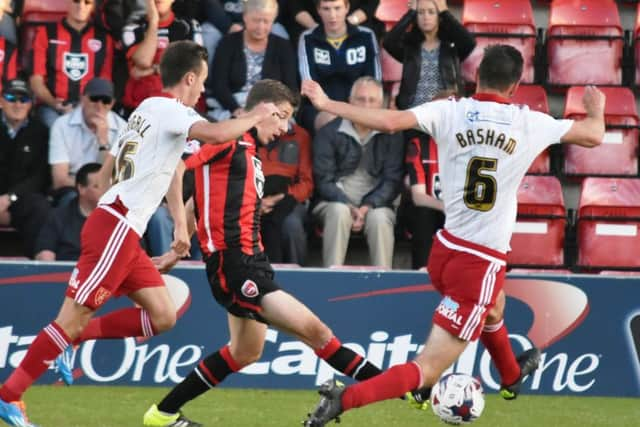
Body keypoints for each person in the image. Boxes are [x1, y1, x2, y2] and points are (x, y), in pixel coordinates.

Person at [300, 44, 606, 426]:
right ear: (515, 86)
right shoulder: (530, 121)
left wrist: (329, 104)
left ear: (476, 77)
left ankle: (510, 375)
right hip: (479, 262)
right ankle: (345, 400)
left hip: (444, 251)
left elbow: (390, 122)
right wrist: (596, 109)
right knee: (427, 370)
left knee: (494, 306)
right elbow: (594, 135)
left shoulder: (449, 110)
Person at [0, 40, 280, 427]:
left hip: (123, 229)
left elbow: (152, 171)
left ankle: (73, 340)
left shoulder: (149, 109)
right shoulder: (173, 111)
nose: (203, 90)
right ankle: (9, 396)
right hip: (115, 226)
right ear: (189, 78)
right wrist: (256, 115)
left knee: (163, 315)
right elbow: (217, 134)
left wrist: (180, 226)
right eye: (202, 82)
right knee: (70, 318)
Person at [142, 79, 384, 427]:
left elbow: (200, 204)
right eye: (282, 116)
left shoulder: (248, 150)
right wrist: (179, 230)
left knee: (246, 352)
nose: (286, 127)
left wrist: (175, 252)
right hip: (236, 265)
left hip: (251, 263)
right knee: (317, 332)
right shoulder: (227, 138)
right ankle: (396, 387)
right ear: (264, 110)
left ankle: (162, 414)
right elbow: (177, 168)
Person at [312, 76, 404, 269]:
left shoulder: (393, 135)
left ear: (382, 105)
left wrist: (367, 206)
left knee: (379, 218)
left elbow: (392, 180)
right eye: (360, 99)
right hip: (334, 201)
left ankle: (383, 281)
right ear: (350, 102)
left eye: (372, 100)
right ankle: (332, 277)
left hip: (377, 204)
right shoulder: (329, 132)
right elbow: (323, 180)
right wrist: (348, 204)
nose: (366, 105)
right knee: (339, 212)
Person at [298, 0, 381, 132]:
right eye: (326, 9)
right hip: (321, 108)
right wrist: (332, 107)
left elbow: (374, 81)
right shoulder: (308, 39)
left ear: (347, 8)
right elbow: (310, 85)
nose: (332, 15)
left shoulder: (365, 36)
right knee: (331, 121)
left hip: (360, 106)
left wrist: (351, 110)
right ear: (318, 10)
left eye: (337, 8)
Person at [207, 0, 298, 121]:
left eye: (266, 21)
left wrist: (278, 111)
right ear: (245, 17)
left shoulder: (283, 47)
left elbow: (290, 87)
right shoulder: (227, 43)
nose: (260, 27)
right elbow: (219, 85)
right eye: (256, 20)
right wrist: (236, 110)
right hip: (233, 107)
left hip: (272, 108)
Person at [30, 0, 115, 127]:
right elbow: (36, 81)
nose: (81, 7)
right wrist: (54, 103)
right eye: (76, 1)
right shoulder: (46, 33)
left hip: (90, 108)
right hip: (52, 108)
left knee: (112, 127)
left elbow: (104, 84)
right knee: (58, 127)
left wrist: (86, 107)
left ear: (93, 7)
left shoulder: (104, 39)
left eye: (87, 2)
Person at [48, 78, 126, 205]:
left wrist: (103, 143)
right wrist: (91, 189)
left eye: (106, 101)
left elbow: (117, 179)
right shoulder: (62, 125)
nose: (99, 106)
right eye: (94, 99)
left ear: (112, 104)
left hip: (109, 190)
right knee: (70, 199)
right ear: (83, 99)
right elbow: (60, 180)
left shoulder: (123, 128)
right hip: (74, 188)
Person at [0, 79, 51, 259]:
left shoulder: (41, 131)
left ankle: (39, 264)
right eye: (11, 97)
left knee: (40, 207)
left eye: (23, 99)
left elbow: (40, 176)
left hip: (19, 198)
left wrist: (9, 198)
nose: (17, 104)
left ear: (31, 104)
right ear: (1, 101)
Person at [121, 0, 203, 112]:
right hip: (140, 107)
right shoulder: (133, 27)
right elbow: (144, 61)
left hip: (179, 107)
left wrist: (152, 70)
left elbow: (193, 70)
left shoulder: (189, 27)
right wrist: (154, 22)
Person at [259, 122, 313, 265]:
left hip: (289, 199)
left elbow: (306, 183)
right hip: (249, 199)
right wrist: (254, 202)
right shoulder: (245, 134)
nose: (278, 119)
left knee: (291, 225)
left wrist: (280, 197)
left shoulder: (300, 135)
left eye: (283, 114)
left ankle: (295, 275)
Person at [34, 163, 106, 261]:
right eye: (98, 186)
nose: (106, 191)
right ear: (81, 189)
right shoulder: (58, 216)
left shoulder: (119, 218)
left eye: (108, 185)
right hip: (65, 272)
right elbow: (45, 252)